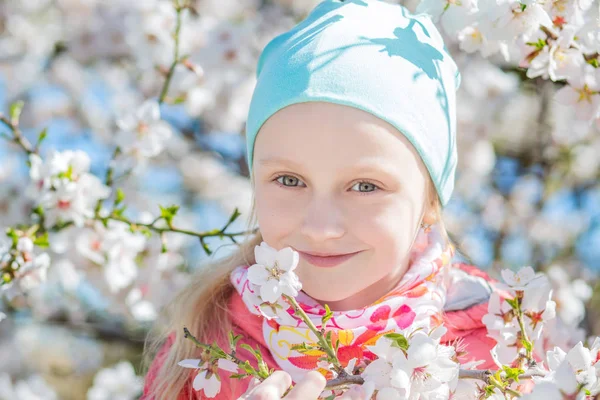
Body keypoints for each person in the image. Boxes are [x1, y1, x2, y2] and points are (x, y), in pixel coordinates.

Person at [141, 0, 500, 398]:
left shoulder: (505, 349)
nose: (321, 227)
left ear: (431, 201)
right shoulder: (203, 355)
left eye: (365, 186)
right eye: (289, 180)